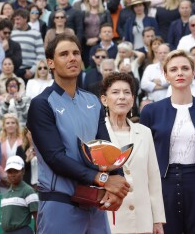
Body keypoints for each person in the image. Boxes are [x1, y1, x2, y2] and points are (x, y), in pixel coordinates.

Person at [27, 34, 130, 233]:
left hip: (95, 205)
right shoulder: (41, 104)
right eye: (64, 54)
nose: (72, 58)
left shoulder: (92, 101)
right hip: (60, 204)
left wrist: (118, 183)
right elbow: (55, 157)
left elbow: (107, 150)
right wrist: (104, 180)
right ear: (51, 63)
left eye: (75, 53)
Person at [140, 49, 195, 234]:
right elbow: (144, 156)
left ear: (193, 73)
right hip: (163, 185)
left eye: (185, 68)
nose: (180, 73)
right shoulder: (151, 112)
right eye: (174, 69)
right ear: (165, 75)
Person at [100, 72, 166, 233]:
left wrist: (157, 220)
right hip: (109, 219)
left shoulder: (144, 132)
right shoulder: (96, 132)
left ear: (133, 99)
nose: (122, 97)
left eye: (127, 92)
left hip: (142, 221)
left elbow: (153, 178)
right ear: (104, 99)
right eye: (115, 92)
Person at [1, 155, 38, 234]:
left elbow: (37, 218)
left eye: (16, 171)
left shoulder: (28, 191)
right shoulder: (5, 195)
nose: (12, 174)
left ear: (23, 171)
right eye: (10, 171)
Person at [11, 9, 45, 82]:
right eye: (15, 19)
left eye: (18, 19)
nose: (16, 22)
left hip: (31, 72)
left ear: (25, 19)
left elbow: (41, 56)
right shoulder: (11, 34)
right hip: (14, 72)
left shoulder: (36, 34)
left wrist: (32, 71)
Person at [0, 113, 22, 188]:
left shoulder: (23, 141)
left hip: (20, 180)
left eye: (13, 123)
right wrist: (6, 176)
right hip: (3, 182)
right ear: (4, 126)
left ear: (17, 125)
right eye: (7, 123)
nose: (10, 125)